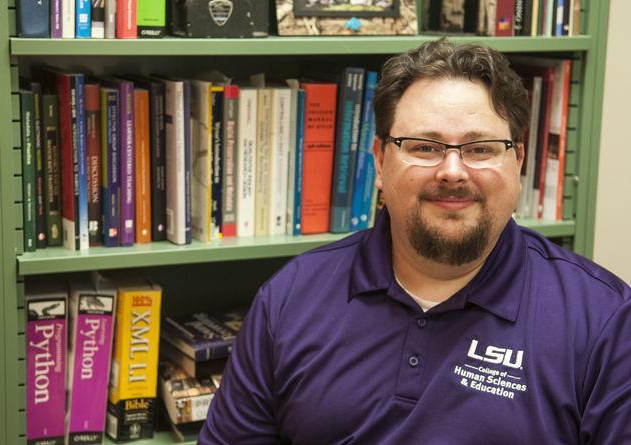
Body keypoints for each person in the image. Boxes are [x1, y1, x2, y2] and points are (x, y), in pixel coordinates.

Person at [199, 40, 631, 444]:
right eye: (425, 147)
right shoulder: (291, 296)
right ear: (379, 159)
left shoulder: (604, 322)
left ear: (517, 160)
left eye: (480, 149)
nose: (453, 171)